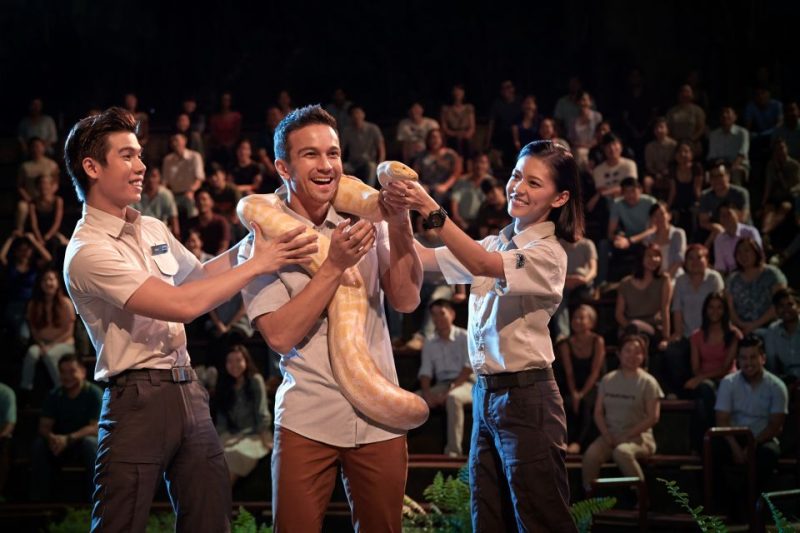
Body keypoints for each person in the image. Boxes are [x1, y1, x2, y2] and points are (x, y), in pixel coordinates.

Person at [62, 106, 318, 532]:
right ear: (91, 167)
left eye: (140, 154)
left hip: (190, 391)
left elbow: (201, 278)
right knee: (118, 523)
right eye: (127, 156)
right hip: (137, 400)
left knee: (211, 518)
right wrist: (259, 263)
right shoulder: (88, 251)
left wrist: (261, 238)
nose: (142, 165)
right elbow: (182, 304)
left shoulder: (151, 228)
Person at [239, 105, 422, 532]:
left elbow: (407, 299)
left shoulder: (363, 222)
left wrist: (399, 219)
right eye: (311, 155)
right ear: (283, 166)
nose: (326, 166)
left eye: (333, 153)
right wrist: (333, 265)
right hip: (308, 417)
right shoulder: (263, 241)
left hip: (381, 421)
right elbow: (280, 335)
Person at [389, 139, 584, 531]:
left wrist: (428, 205)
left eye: (534, 182)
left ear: (560, 198)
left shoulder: (548, 254)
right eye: (515, 176)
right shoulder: (497, 242)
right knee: (488, 518)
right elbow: (424, 259)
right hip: (486, 396)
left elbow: (479, 262)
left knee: (541, 520)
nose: (518, 188)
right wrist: (388, 215)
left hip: (528, 398)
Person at [582, 334, 662, 493]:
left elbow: (653, 417)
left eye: (638, 352)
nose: (632, 355)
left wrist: (627, 436)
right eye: (628, 351)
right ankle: (589, 505)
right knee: (590, 455)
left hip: (639, 438)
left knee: (621, 453)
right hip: (610, 435)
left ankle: (642, 500)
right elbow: (598, 413)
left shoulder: (649, 382)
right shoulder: (607, 380)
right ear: (619, 353)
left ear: (644, 356)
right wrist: (606, 435)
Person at [714, 335, 788, 494]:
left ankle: (750, 501)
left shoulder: (777, 387)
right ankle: (721, 504)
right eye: (743, 358)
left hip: (762, 438)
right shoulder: (728, 383)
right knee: (712, 448)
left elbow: (775, 426)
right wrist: (736, 449)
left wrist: (752, 444)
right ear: (738, 361)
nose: (748, 363)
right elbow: (721, 420)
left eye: (753, 357)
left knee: (769, 454)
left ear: (763, 358)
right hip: (734, 436)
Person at [31, 354, 102, 501]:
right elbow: (44, 426)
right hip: (60, 446)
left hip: (81, 444)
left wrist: (68, 439)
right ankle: (40, 500)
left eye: (72, 371)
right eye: (63, 372)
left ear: (82, 371)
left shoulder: (94, 394)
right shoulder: (54, 394)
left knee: (90, 443)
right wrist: (52, 438)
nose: (67, 376)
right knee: (39, 444)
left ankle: (95, 500)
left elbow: (95, 428)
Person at [416, 299, 473, 457]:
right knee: (414, 400)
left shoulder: (465, 336)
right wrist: (427, 394)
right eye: (434, 315)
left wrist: (449, 392)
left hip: (467, 383)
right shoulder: (430, 342)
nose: (438, 318)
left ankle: (453, 453)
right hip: (441, 384)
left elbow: (468, 368)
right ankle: (407, 449)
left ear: (452, 314)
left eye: (442, 313)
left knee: (453, 398)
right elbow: (425, 371)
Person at [685, 292, 741, 450]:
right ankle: (713, 441)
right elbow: (695, 368)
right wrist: (700, 378)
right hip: (706, 383)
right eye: (711, 307)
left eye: (719, 307)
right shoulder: (697, 335)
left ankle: (698, 447)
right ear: (705, 310)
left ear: (725, 310)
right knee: (705, 392)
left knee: (702, 402)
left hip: (728, 381)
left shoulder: (733, 334)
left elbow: (725, 369)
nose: (715, 311)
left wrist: (699, 378)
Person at [214, 345, 272, 485]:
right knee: (214, 456)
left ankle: (221, 500)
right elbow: (221, 421)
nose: (234, 365)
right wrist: (220, 440)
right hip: (231, 434)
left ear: (246, 361)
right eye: (230, 361)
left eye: (238, 360)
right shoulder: (223, 385)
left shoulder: (255, 381)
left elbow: (262, 414)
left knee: (233, 454)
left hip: (254, 434)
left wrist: (265, 439)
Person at [557, 304, 606, 454]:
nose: (577, 321)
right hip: (572, 385)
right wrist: (574, 393)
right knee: (566, 402)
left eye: (582, 318)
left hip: (592, 384)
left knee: (586, 402)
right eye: (575, 318)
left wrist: (582, 394)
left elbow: (595, 371)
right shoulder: (565, 344)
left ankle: (579, 443)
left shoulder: (597, 341)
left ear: (591, 322)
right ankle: (565, 441)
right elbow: (569, 372)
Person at [20, 267, 76, 392]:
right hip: (42, 344)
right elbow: (33, 330)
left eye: (51, 279)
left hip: (64, 343)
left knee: (50, 355)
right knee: (31, 353)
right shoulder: (33, 304)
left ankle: (62, 389)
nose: (48, 283)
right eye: (45, 280)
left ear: (57, 282)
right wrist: (41, 344)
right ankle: (26, 389)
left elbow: (69, 332)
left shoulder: (66, 303)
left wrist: (52, 345)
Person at [596, 177, 656, 284]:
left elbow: (653, 229)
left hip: (646, 239)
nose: (630, 195)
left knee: (647, 245)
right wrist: (617, 238)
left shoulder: (650, 202)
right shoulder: (617, 204)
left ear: (640, 190)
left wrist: (630, 241)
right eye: (626, 192)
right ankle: (600, 284)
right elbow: (610, 232)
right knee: (603, 244)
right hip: (627, 238)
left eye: (633, 191)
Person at [725, 237, 786, 336]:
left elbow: (779, 304)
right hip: (741, 331)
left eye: (747, 250)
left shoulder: (772, 274)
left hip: (770, 328)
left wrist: (754, 325)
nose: (743, 255)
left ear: (756, 252)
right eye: (739, 252)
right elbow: (730, 309)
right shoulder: (732, 279)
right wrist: (742, 325)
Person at [615, 244, 672, 347]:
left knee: (635, 327)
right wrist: (629, 328)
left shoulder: (664, 280)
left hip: (652, 327)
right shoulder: (625, 283)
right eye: (649, 256)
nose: (654, 259)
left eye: (657, 256)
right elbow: (619, 314)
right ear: (641, 258)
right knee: (633, 331)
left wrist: (666, 338)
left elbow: (665, 309)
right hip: (629, 328)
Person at [697, 162, 751, 245]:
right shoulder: (705, 196)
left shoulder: (741, 193)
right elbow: (703, 221)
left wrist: (726, 228)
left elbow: (743, 218)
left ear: (728, 176)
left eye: (720, 176)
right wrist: (716, 227)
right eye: (713, 177)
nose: (716, 180)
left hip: (740, 230)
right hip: (718, 231)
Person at [16, 137, 60, 231]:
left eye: (39, 146)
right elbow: (20, 186)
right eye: (33, 146)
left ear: (43, 147)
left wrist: (48, 195)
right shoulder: (25, 167)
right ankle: (19, 232)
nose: (36, 149)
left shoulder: (52, 164)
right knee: (22, 207)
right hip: (30, 199)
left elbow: (56, 183)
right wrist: (28, 199)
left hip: (47, 198)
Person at [162, 131, 205, 222]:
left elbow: (199, 179)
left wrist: (191, 191)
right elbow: (165, 182)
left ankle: (193, 227)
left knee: (190, 201)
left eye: (177, 140)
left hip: (190, 193)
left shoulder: (195, 156)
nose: (174, 143)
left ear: (184, 141)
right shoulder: (168, 160)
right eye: (172, 141)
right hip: (173, 194)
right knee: (162, 200)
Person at [340, 104, 386, 187]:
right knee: (341, 168)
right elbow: (341, 149)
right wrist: (340, 164)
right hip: (353, 163)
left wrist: (380, 164)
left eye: (358, 113)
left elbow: (381, 148)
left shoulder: (373, 128)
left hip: (369, 162)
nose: (356, 116)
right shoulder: (347, 131)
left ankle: (369, 192)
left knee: (372, 167)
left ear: (363, 114)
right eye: (353, 114)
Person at [413, 128, 462, 203]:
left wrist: (445, 186)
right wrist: (421, 186)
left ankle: (436, 215)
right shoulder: (422, 155)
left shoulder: (450, 155)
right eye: (432, 138)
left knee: (438, 195)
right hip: (426, 186)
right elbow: (414, 175)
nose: (434, 140)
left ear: (442, 139)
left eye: (437, 137)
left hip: (444, 187)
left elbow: (456, 173)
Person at [449, 152, 493, 235]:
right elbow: (454, 199)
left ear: (488, 165)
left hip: (483, 224)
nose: (479, 165)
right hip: (463, 221)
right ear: (472, 164)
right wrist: (457, 218)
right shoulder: (462, 181)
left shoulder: (492, 182)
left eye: (483, 162)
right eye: (477, 162)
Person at [713, 202, 762, 274]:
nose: (726, 218)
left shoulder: (750, 232)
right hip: (733, 277)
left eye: (729, 214)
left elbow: (760, 257)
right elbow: (720, 268)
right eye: (722, 216)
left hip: (753, 272)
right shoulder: (719, 239)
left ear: (738, 214)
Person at [763, 288, 800, 382]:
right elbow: (772, 365)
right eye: (781, 306)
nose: (786, 309)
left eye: (790, 305)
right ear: (776, 310)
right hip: (786, 381)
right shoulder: (773, 330)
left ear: (798, 306)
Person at [131, 167, 180, 238]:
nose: (151, 180)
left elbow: (174, 220)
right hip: (141, 233)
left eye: (154, 176)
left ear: (159, 178)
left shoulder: (166, 194)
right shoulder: (136, 193)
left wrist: (176, 241)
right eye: (148, 176)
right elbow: (130, 219)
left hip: (161, 234)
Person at [667, 141, 704, 233]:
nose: (683, 154)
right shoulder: (673, 169)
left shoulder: (696, 168)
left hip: (692, 201)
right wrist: (667, 207)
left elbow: (697, 189)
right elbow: (673, 191)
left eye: (686, 151)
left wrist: (701, 204)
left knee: (693, 214)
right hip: (678, 201)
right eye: (679, 152)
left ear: (691, 154)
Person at [643, 201, 686, 279]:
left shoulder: (678, 233)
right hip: (654, 278)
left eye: (662, 214)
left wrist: (666, 278)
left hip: (674, 276)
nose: (659, 218)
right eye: (655, 215)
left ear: (669, 216)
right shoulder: (649, 236)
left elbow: (679, 259)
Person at [707, 107, 750, 185]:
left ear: (735, 117)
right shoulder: (713, 134)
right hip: (719, 164)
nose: (725, 115)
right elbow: (712, 156)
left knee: (735, 173)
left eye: (728, 113)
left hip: (738, 165)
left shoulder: (742, 133)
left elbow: (742, 154)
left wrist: (730, 169)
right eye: (723, 114)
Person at [666, 85, 706, 156]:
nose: (685, 94)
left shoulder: (698, 110)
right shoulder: (671, 112)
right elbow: (668, 129)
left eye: (687, 92)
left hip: (693, 143)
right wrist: (675, 142)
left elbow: (701, 128)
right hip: (675, 144)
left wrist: (690, 140)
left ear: (692, 94)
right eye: (683, 91)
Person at [644, 117, 677, 201]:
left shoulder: (674, 145)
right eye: (656, 128)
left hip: (671, 174)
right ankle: (652, 203)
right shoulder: (649, 146)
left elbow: (676, 162)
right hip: (655, 175)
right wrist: (656, 174)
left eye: (661, 127)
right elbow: (649, 165)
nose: (659, 130)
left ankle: (670, 205)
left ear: (667, 129)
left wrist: (668, 171)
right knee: (647, 181)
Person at [440, 84, 476, 160]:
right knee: (457, 142)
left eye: (460, 91)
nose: (458, 93)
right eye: (456, 91)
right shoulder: (446, 109)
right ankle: (458, 164)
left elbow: (472, 127)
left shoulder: (469, 108)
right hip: (452, 135)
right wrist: (456, 134)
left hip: (465, 134)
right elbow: (444, 128)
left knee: (467, 142)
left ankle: (469, 166)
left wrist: (467, 134)